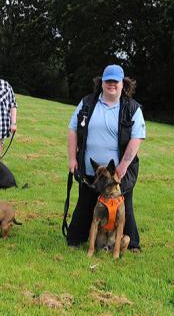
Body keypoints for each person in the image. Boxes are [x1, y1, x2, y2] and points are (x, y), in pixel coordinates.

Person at [66, 65, 145, 251]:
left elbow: (136, 138)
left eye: (115, 81)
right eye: (107, 81)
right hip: (90, 170)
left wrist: (123, 166)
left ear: (122, 83)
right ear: (101, 83)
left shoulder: (132, 108)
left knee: (124, 208)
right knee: (85, 205)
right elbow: (72, 130)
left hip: (117, 173)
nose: (111, 84)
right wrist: (72, 158)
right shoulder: (87, 103)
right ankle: (75, 239)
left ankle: (132, 244)